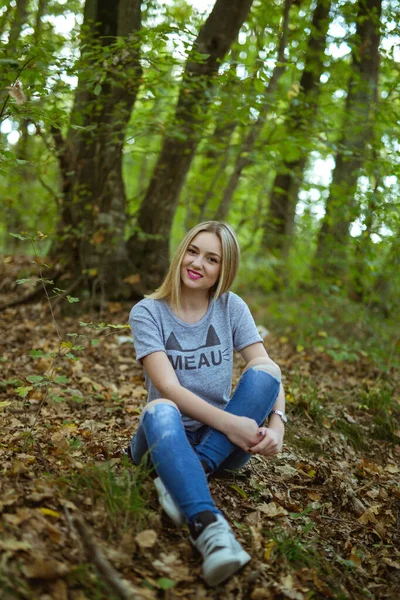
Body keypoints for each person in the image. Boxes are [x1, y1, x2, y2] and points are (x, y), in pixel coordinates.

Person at [127, 221, 286, 586]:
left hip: (220, 442)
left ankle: (193, 469)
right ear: (181, 252)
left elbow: (267, 368)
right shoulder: (148, 312)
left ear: (223, 269)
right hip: (164, 439)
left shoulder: (230, 307)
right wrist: (233, 424)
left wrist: (277, 423)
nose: (197, 263)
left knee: (264, 370)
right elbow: (168, 386)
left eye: (212, 258)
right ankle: (211, 532)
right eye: (193, 251)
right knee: (160, 407)